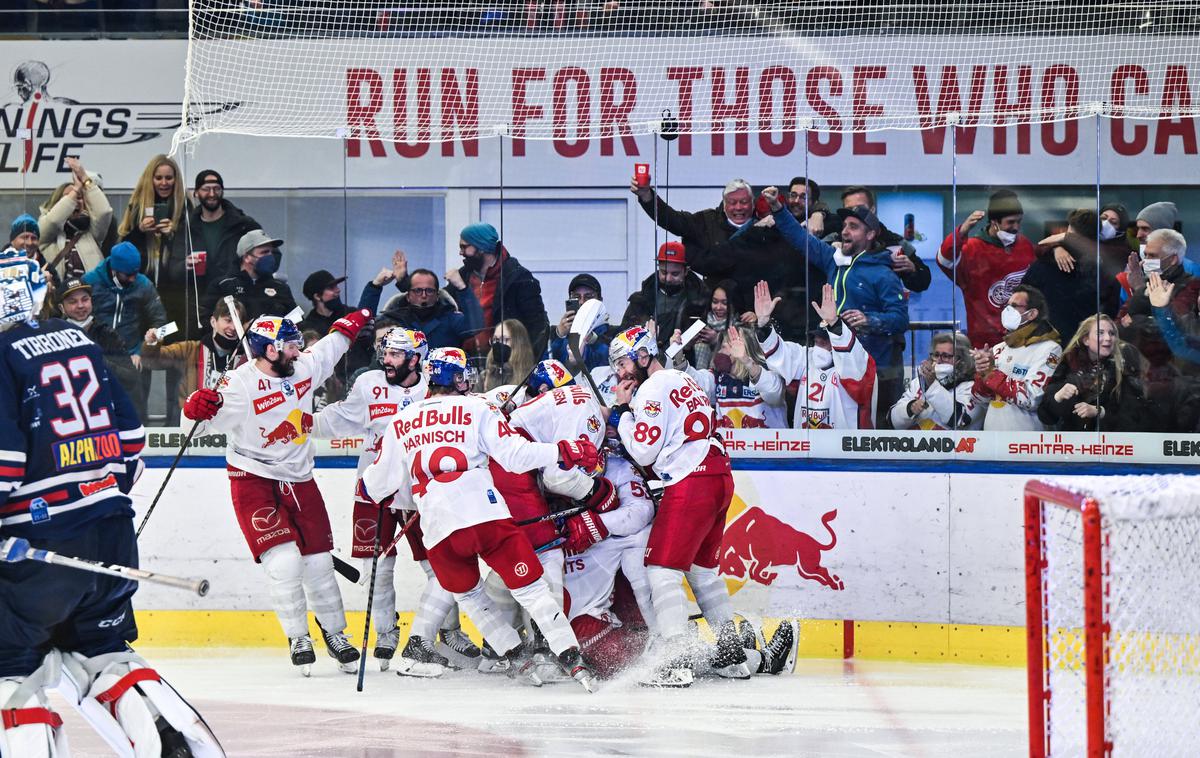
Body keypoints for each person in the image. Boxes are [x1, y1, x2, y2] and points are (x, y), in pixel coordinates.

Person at [0, 253, 222, 756]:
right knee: (100, 653)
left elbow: (6, 460)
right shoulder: (77, 338)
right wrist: (98, 496)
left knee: (8, 663)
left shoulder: (1, 352)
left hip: (39, 544)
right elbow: (131, 438)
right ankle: (174, 747)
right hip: (112, 532)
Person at [361, 347, 600, 691]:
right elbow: (516, 457)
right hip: (486, 517)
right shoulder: (479, 406)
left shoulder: (402, 420)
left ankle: (515, 655)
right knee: (532, 591)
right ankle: (571, 658)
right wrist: (562, 450)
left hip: (438, 530)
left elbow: (375, 486)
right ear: (454, 377)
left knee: (470, 597)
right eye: (461, 374)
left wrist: (376, 492)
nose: (466, 379)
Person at [181, 309, 372, 675]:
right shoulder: (238, 386)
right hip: (253, 478)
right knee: (284, 562)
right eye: (289, 345)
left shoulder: (301, 368)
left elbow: (330, 348)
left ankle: (335, 634)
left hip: (300, 477)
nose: (297, 351)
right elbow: (197, 428)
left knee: (318, 564)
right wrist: (194, 410)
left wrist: (356, 318)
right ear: (269, 350)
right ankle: (298, 636)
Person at [310, 328, 482, 676]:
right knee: (378, 568)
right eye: (385, 353)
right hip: (374, 488)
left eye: (395, 355)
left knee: (439, 565)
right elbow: (340, 418)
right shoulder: (369, 383)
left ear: (416, 358)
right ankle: (386, 632)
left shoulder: (434, 385)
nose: (386, 361)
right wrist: (300, 421)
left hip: (422, 492)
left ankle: (448, 631)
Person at [565, 453, 798, 681]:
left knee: (661, 646)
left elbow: (639, 516)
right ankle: (752, 657)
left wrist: (599, 524)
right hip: (580, 626)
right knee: (638, 655)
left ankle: (744, 656)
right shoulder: (548, 483)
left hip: (606, 616)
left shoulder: (620, 493)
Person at [607, 324, 744, 686]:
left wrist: (622, 413)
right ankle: (732, 656)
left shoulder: (652, 388)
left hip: (692, 480)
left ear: (642, 355)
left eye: (622, 362)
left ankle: (675, 660)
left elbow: (644, 451)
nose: (620, 372)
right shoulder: (684, 380)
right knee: (702, 571)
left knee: (661, 569)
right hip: (719, 475)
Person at [764, 187, 908, 420]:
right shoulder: (834, 260)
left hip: (873, 371)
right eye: (844, 226)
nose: (845, 232)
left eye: (853, 227)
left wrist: (869, 320)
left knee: (869, 431)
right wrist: (778, 208)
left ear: (870, 235)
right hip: (835, 366)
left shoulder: (884, 274)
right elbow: (801, 239)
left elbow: (901, 320)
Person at [630, 175, 824, 339]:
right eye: (732, 202)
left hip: (761, 317)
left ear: (753, 203)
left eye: (743, 202)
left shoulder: (772, 227)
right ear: (724, 204)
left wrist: (818, 213)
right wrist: (647, 197)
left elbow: (804, 221)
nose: (738, 207)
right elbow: (672, 219)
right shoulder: (706, 222)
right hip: (717, 317)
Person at [753, 281, 877, 429]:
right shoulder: (807, 358)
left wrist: (834, 324)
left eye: (825, 339)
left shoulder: (858, 363)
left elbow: (851, 359)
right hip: (807, 446)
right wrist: (763, 324)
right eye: (816, 338)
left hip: (845, 448)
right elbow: (781, 355)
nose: (819, 342)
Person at [938, 189, 1037, 349]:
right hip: (985, 344)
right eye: (1010, 222)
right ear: (994, 222)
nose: (1016, 227)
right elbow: (944, 260)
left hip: (1023, 339)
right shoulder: (972, 249)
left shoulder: (1024, 245)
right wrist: (962, 231)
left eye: (1019, 221)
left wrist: (1057, 249)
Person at [82, 242, 169, 422]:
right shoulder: (90, 282)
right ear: (114, 269)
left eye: (135, 273)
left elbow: (162, 322)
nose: (132, 279)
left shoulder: (143, 284)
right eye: (128, 274)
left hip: (132, 355)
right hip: (98, 354)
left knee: (136, 412)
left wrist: (144, 349)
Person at [446, 222, 550, 357]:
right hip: (465, 362)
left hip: (505, 363)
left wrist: (525, 365)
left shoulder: (517, 278)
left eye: (464, 247)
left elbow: (537, 327)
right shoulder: (463, 276)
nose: (461, 252)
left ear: (481, 247)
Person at [117, 155, 195, 334]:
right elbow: (122, 253)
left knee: (169, 339)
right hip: (141, 294)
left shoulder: (186, 208)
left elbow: (191, 250)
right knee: (145, 343)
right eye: (158, 178)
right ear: (150, 179)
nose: (164, 183)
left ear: (176, 180)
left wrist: (172, 235)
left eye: (169, 178)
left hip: (174, 296)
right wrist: (140, 232)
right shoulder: (137, 206)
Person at [1023, 208, 1121, 345]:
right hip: (1086, 344)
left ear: (1070, 229)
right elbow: (1110, 311)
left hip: (1046, 343)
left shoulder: (1042, 265)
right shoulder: (1104, 270)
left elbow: (1024, 300)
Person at [971, 284, 1061, 431]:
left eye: (1014, 306)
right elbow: (980, 400)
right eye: (1007, 305)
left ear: (1032, 314)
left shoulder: (1050, 349)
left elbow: (1032, 398)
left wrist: (991, 374)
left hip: (1025, 442)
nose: (1007, 311)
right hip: (991, 440)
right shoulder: (999, 348)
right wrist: (982, 374)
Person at [1038, 314, 1147, 432]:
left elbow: (1136, 414)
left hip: (1113, 444)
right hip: (1075, 444)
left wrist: (1099, 412)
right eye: (1100, 333)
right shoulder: (1067, 364)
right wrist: (1058, 397)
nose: (1108, 338)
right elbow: (1046, 417)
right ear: (1086, 340)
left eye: (1111, 333)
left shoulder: (1124, 363)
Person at [141, 297, 250, 409]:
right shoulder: (190, 349)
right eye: (228, 320)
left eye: (238, 322)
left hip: (228, 420)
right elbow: (151, 362)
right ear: (213, 322)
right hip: (191, 419)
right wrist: (151, 343)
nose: (233, 327)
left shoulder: (246, 357)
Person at [673, 325, 788, 429]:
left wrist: (746, 361)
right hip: (729, 450)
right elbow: (694, 384)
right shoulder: (717, 378)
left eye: (724, 347)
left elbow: (773, 393)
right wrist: (678, 356)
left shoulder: (769, 372)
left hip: (768, 448)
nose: (719, 352)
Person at [56, 277, 140, 407]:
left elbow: (130, 378)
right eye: (72, 302)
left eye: (85, 299)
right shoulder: (54, 337)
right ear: (62, 308)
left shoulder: (107, 335)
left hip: (103, 408)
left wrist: (98, 360)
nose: (80, 305)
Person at [298, 266, 394, 380]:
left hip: (364, 376)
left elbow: (365, 314)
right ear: (317, 296)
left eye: (336, 286)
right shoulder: (308, 327)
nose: (337, 290)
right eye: (331, 287)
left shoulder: (349, 313)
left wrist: (375, 285)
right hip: (332, 385)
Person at [836, 185, 932, 293]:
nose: (855, 213)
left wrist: (912, 270)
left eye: (860, 208)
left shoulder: (896, 243)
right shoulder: (835, 240)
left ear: (872, 209)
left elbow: (923, 282)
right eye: (849, 209)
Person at [380, 251, 482, 349]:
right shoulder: (395, 320)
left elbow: (476, 326)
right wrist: (375, 286)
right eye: (418, 291)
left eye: (429, 291)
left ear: (437, 296)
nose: (424, 295)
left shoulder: (450, 318)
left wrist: (462, 287)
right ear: (408, 297)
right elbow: (366, 328)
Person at [199, 229, 298, 327]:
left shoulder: (281, 288)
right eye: (264, 252)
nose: (270, 256)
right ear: (247, 257)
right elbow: (206, 320)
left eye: (271, 252)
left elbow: (297, 321)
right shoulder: (223, 285)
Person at [626, 241, 710, 354]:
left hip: (686, 360)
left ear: (686, 271)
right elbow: (625, 334)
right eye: (664, 272)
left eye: (675, 274)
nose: (668, 279)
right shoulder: (640, 300)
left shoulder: (702, 300)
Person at [38, 157, 113, 283]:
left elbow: (104, 212)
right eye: (68, 198)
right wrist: (75, 190)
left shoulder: (91, 232)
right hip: (58, 298)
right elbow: (53, 221)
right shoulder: (46, 230)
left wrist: (85, 179)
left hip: (89, 298)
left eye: (79, 198)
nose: (75, 202)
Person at [889, 332, 983, 430]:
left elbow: (961, 420)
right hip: (916, 444)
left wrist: (932, 386)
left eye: (946, 356)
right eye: (936, 355)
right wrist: (910, 408)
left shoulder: (972, 387)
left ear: (961, 359)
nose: (939, 360)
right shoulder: (919, 382)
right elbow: (892, 421)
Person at [188, 169, 262, 288]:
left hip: (238, 296)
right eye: (206, 189)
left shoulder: (243, 225)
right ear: (196, 193)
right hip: (199, 299)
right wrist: (184, 265)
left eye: (217, 189)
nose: (212, 194)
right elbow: (174, 266)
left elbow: (272, 254)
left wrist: (255, 263)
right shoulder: (187, 227)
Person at [548, 273, 615, 371]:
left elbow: (611, 362)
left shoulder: (612, 334)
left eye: (588, 297)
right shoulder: (557, 334)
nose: (582, 302)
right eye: (576, 297)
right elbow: (547, 366)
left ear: (600, 301)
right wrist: (559, 336)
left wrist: (592, 339)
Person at [483, 318, 536, 392]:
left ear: (518, 343)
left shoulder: (533, 377)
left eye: (504, 339)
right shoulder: (485, 376)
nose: (498, 344)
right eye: (495, 339)